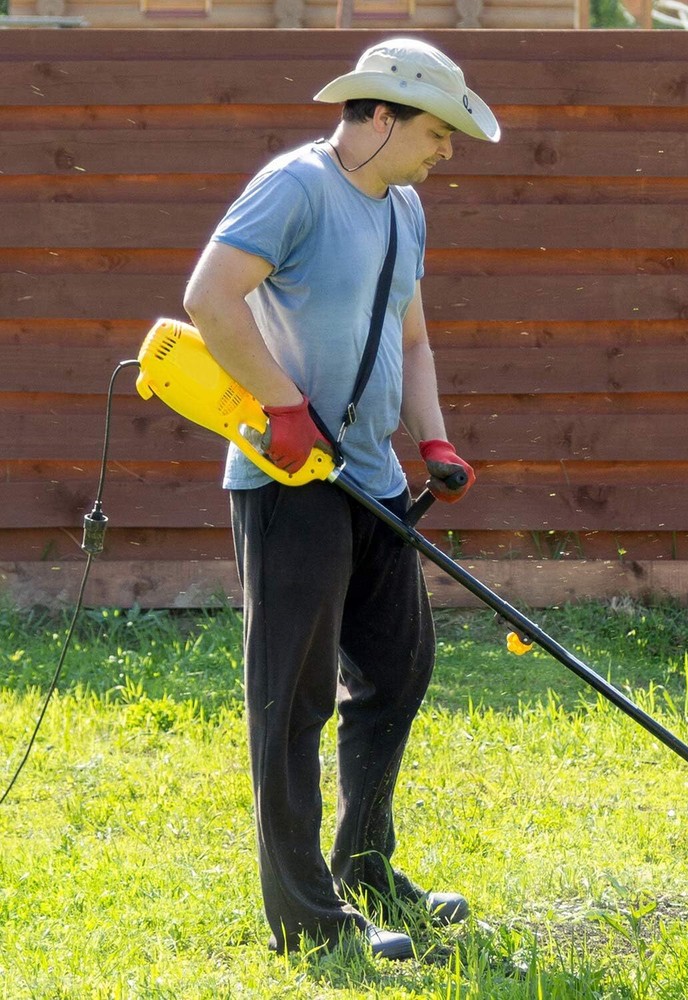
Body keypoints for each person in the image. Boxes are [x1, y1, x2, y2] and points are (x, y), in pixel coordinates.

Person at [183, 37, 500, 960]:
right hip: (290, 482)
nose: (448, 152)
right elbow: (210, 297)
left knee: (397, 672)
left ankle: (363, 864)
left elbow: (415, 340)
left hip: (370, 482)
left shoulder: (405, 211)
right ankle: (307, 920)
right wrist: (283, 409)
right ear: (382, 114)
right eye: (440, 132)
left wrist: (431, 438)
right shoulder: (297, 186)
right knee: (291, 699)